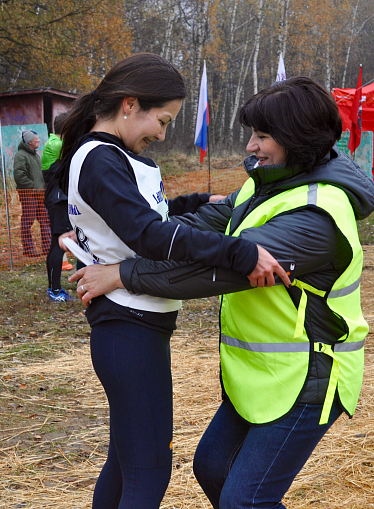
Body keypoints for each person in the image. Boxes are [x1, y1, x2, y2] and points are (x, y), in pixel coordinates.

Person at [68, 76, 374, 509]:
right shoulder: (265, 184)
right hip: (260, 375)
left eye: (262, 136)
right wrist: (107, 238)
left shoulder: (317, 214)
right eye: (253, 133)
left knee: (245, 500)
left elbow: (215, 273)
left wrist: (124, 273)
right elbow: (193, 229)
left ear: (298, 140)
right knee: (212, 468)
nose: (250, 146)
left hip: (308, 377)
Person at [55, 52, 289, 509]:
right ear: (129, 105)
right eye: (161, 121)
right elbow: (148, 234)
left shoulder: (112, 156)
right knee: (149, 474)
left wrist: (203, 200)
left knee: (125, 468)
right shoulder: (101, 157)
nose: (161, 135)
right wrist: (239, 252)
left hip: (132, 326)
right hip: (129, 326)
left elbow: (148, 215)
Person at [42, 112, 75, 302]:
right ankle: (55, 290)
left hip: (60, 198)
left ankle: (54, 288)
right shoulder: (56, 144)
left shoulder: (55, 143)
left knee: (58, 245)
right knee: (58, 245)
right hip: (59, 199)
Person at [13, 129, 51, 256]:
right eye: (36, 139)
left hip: (39, 194)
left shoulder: (35, 155)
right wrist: (34, 187)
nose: (39, 140)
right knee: (28, 221)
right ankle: (28, 249)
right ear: (30, 142)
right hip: (29, 194)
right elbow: (19, 176)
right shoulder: (21, 155)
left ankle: (47, 247)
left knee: (45, 220)